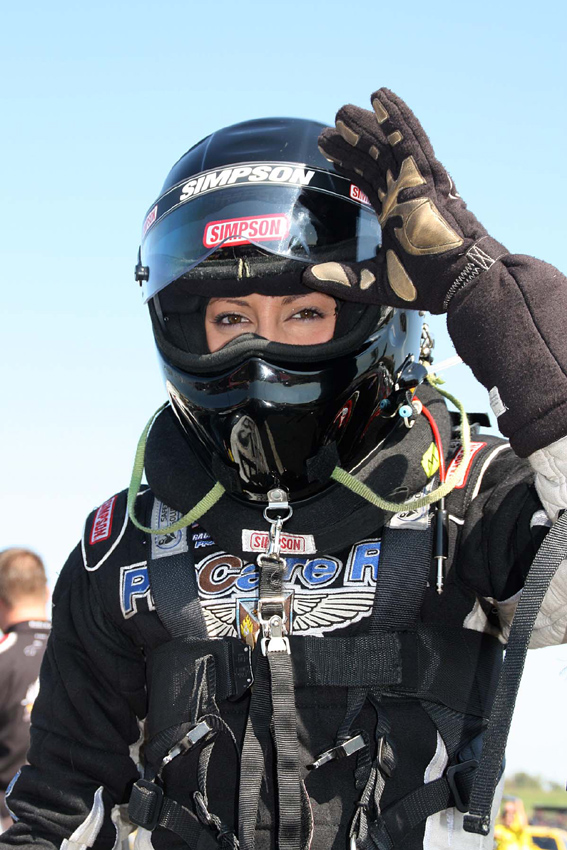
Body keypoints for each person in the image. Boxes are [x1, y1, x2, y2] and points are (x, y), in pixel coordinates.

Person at [2, 87, 567, 850]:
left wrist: (485, 290)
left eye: (303, 312)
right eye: (230, 318)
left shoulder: (461, 498)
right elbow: (58, 810)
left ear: (372, 315)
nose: (261, 348)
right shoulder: (127, 542)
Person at [0, 549, 50, 832]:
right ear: (46, 593)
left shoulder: (3, 658)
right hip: (82, 821)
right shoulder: (84, 653)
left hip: (10, 823)